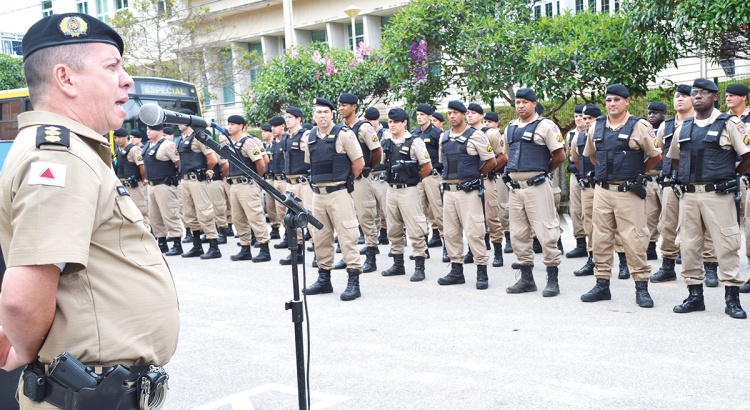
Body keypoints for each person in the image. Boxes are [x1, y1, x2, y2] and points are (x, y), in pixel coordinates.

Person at [0, 13, 179, 408]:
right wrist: (24, 351)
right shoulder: (61, 156)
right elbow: (21, 296)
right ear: (66, 78)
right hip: (86, 394)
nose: (127, 79)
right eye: (112, 66)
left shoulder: (73, 151)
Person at [669, 78, 749, 319]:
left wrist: (729, 176)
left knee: (726, 245)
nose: (698, 96)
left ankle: (732, 299)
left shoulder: (730, 123)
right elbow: (675, 158)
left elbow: (747, 156)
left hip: (718, 195)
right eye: (694, 93)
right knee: (690, 246)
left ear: (715, 96)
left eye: (704, 93)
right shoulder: (684, 126)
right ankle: (695, 296)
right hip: (689, 196)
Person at [580, 84, 662, 308]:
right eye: (608, 100)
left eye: (617, 99)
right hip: (603, 191)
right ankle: (602, 284)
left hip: (628, 192)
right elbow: (593, 156)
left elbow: (656, 156)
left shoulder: (640, 126)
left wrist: (638, 173)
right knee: (601, 238)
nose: (612, 104)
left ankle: (641, 287)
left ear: (627, 101)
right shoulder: (596, 127)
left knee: (634, 239)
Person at [501, 88, 565, 297]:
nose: (520, 106)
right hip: (516, 190)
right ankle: (526, 279)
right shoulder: (510, 128)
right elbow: (506, 156)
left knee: (546, 232)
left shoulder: (545, 126)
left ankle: (552, 279)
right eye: (518, 102)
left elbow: (560, 155)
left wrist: (543, 171)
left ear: (534, 103)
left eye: (525, 102)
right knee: (519, 233)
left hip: (537, 187)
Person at [302, 98, 365, 301]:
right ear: (313, 115)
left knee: (347, 235)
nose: (322, 116)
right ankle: (324, 280)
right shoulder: (309, 137)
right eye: (319, 112)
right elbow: (310, 164)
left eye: (326, 112)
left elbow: (359, 162)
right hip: (318, 196)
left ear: (332, 115)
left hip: (339, 193)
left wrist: (345, 182)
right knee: (320, 237)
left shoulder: (344, 135)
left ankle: (353, 281)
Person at [437, 101, 497, 290]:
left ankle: (481, 270)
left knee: (474, 231)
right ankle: (456, 270)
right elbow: (442, 162)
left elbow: (491, 160)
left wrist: (476, 175)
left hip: (468, 191)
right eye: (449, 113)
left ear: (464, 114)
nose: (452, 116)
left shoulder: (476, 136)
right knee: (451, 232)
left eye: (456, 113)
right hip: (449, 191)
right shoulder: (444, 137)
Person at [380, 108, 433, 281]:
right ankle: (398, 264)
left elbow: (427, 166)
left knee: (415, 228)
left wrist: (414, 180)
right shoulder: (386, 141)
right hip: (391, 189)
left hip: (408, 190)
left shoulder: (414, 142)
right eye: (390, 122)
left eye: (396, 122)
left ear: (404, 123)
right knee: (393, 228)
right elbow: (382, 163)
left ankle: (420, 266)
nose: (392, 125)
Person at [336, 93, 382, 273]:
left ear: (354, 107)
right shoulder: (340, 128)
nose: (341, 108)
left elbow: (376, 150)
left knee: (366, 217)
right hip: (344, 179)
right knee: (345, 220)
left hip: (361, 179)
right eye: (339, 105)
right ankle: (348, 257)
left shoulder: (363, 127)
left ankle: (371, 256)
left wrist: (369, 167)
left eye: (344, 105)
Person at [176, 109, 222, 259]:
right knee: (188, 214)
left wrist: (204, 170)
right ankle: (197, 246)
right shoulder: (182, 138)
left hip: (197, 180)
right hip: (185, 180)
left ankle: (213, 246)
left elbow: (213, 159)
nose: (178, 123)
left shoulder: (199, 136)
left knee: (204, 212)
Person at [226, 115, 272, 262]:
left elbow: (261, 163)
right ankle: (245, 248)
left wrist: (255, 179)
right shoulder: (232, 143)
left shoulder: (249, 142)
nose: (229, 127)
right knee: (238, 218)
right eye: (228, 124)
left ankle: (264, 248)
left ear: (241, 126)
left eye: (233, 124)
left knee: (255, 216)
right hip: (234, 185)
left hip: (247, 184)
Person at [464, 104, 506, 267]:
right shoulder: (465, 133)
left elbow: (502, 157)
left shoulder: (491, 133)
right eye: (468, 113)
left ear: (481, 116)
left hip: (485, 179)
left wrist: (488, 171)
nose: (470, 116)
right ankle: (472, 250)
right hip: (469, 181)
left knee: (491, 215)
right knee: (471, 218)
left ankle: (497, 252)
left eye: (473, 113)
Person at [569, 104, 602, 276]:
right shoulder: (578, 137)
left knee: (616, 226)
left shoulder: (606, 134)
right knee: (589, 224)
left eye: (590, 118)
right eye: (584, 118)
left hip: (606, 187)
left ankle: (624, 261)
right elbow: (576, 160)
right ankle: (592, 259)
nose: (586, 121)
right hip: (588, 186)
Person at [280, 106, 313, 265]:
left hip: (303, 182)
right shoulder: (286, 137)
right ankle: (297, 251)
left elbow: (312, 157)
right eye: (286, 117)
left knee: (309, 217)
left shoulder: (305, 135)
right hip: (290, 183)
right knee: (291, 219)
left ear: (299, 119)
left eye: (291, 117)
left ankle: (318, 252)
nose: (287, 119)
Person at [725, 83, 750, 293]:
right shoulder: (722, 120)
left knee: (748, 226)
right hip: (725, 176)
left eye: (733, 95)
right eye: (726, 95)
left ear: (744, 97)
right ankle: (719, 267)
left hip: (746, 176)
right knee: (725, 225)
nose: (728, 98)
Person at [143, 123, 183, 255]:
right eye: (147, 129)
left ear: (159, 131)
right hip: (152, 185)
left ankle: (177, 243)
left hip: (165, 185)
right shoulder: (148, 145)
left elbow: (178, 163)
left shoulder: (168, 145)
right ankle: (162, 243)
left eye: (151, 129)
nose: (148, 132)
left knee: (170, 214)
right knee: (154, 216)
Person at [413, 104, 445, 257]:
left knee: (438, 211)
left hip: (433, 176)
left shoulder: (437, 133)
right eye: (418, 114)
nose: (419, 117)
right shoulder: (415, 133)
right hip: (419, 176)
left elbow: (443, 155)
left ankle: (447, 246)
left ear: (429, 117)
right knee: (420, 211)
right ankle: (423, 246)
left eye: (422, 115)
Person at [565, 104, 589, 259]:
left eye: (581, 116)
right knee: (576, 209)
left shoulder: (592, 132)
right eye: (576, 116)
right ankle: (580, 243)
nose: (579, 119)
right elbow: (568, 155)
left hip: (590, 175)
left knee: (592, 211)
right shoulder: (571, 134)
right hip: (576, 175)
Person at [645, 101, 667, 260]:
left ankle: (675, 249)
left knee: (669, 217)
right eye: (649, 113)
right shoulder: (644, 130)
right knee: (650, 216)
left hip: (664, 178)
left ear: (664, 114)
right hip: (648, 178)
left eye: (655, 113)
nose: (651, 116)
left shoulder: (669, 128)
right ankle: (651, 247)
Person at [113, 127, 148, 227]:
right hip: (122, 185)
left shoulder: (134, 149)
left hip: (134, 186)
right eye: (115, 138)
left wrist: (142, 181)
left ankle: (145, 234)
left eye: (119, 137)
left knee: (140, 210)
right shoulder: (118, 151)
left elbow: (142, 167)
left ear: (126, 137)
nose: (117, 140)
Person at [364, 107, 390, 246]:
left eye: (372, 120)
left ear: (378, 120)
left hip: (382, 176)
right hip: (369, 176)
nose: (369, 123)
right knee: (371, 211)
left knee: (386, 210)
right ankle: (373, 243)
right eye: (367, 120)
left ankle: (390, 236)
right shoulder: (364, 133)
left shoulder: (386, 134)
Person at [267, 116, 288, 241]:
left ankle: (292, 236)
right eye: (272, 127)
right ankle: (286, 234)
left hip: (286, 179)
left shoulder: (287, 140)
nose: (273, 129)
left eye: (276, 126)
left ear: (283, 126)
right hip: (275, 179)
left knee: (287, 209)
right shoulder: (274, 143)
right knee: (279, 211)